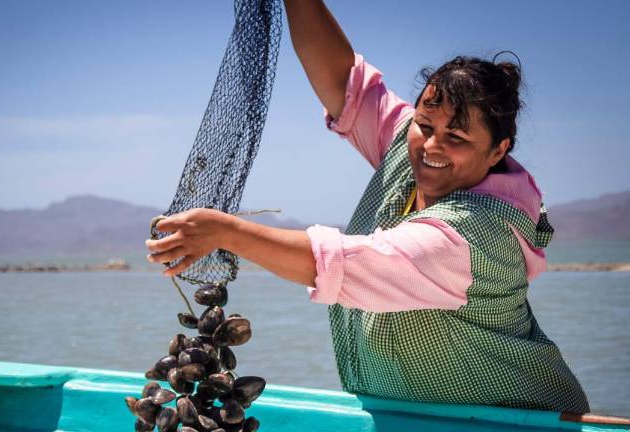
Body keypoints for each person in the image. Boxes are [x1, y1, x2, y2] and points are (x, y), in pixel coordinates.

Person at [146, 0, 589, 413]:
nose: (431, 146)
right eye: (424, 124)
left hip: (519, 418)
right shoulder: (410, 148)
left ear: (498, 150)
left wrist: (225, 232)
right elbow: (344, 83)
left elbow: (340, 263)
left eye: (456, 137)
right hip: (416, 414)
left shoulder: (474, 238)